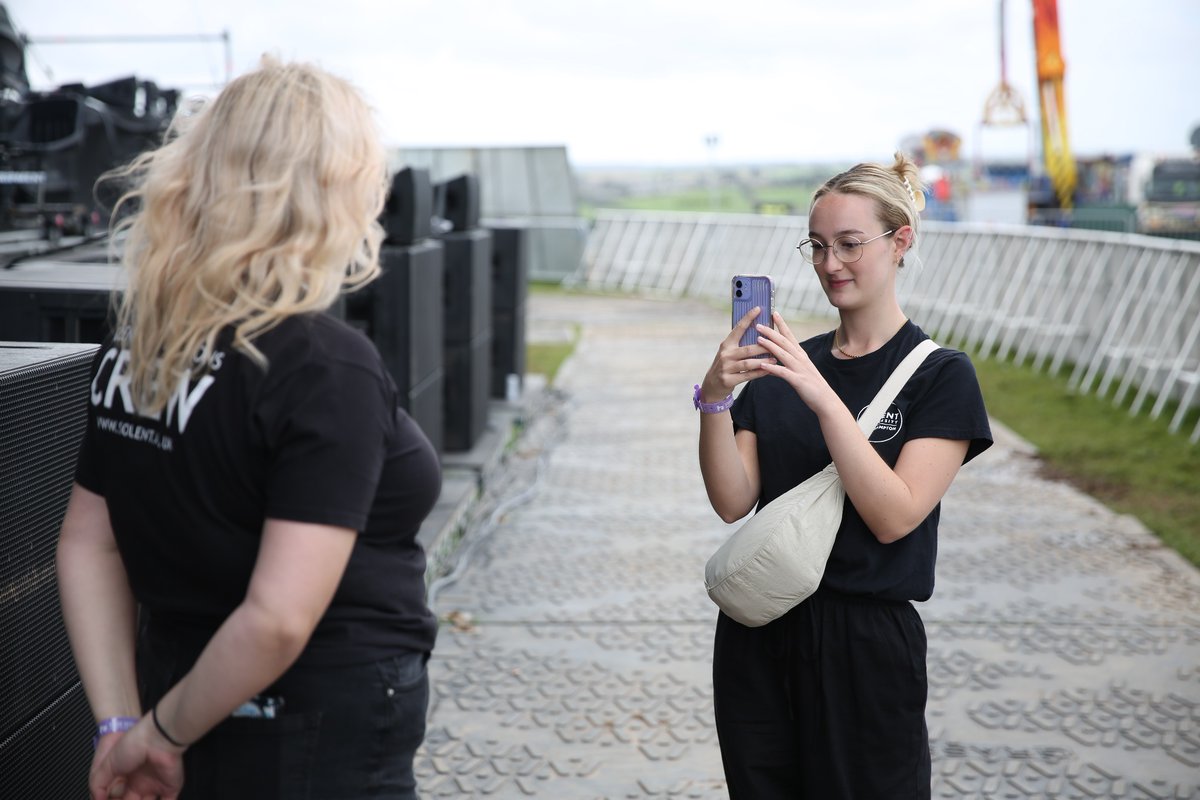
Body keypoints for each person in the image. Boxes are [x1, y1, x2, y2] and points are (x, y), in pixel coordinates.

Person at [55, 56, 441, 800]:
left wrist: (122, 725)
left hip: (178, 693)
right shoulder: (327, 366)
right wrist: (158, 738)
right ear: (333, 190)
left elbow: (87, 542)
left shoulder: (145, 339)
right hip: (314, 727)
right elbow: (276, 620)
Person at [696, 153, 993, 798]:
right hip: (760, 629)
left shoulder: (941, 375)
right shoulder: (784, 365)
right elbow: (731, 499)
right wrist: (716, 399)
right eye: (819, 246)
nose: (832, 265)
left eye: (851, 245)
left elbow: (895, 516)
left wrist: (822, 395)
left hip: (865, 642)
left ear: (900, 241)